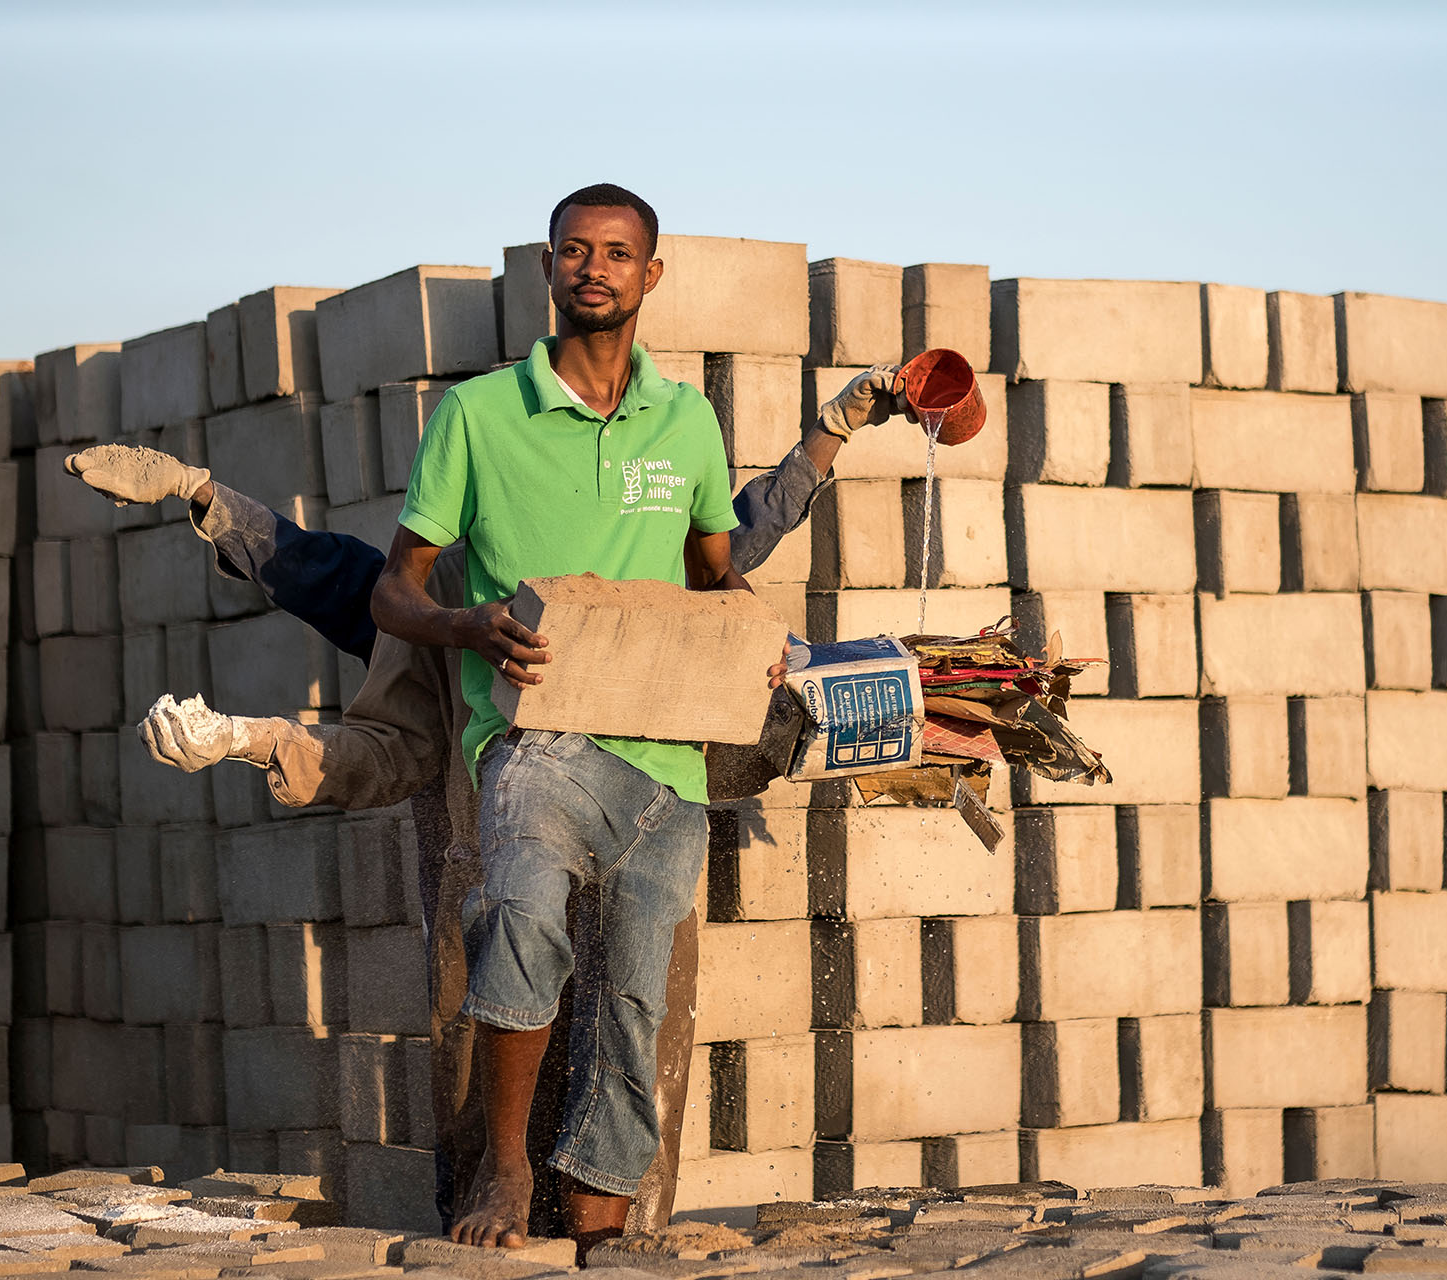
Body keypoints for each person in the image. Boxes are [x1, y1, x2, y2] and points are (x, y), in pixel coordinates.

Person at [70, 197, 914, 1241]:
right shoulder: (451, 591)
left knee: (638, 1043)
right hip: (502, 839)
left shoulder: (650, 502)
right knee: (489, 1070)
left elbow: (735, 542)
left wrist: (830, 434)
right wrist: (238, 681)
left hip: (648, 797)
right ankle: (497, 1203)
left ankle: (614, 1236)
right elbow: (335, 608)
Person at [366, 182, 782, 1253]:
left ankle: (598, 1210)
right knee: (522, 910)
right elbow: (392, 591)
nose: (592, 267)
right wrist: (470, 623)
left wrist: (766, 643)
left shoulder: (687, 421)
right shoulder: (478, 415)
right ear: (548, 269)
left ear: (652, 273)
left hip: (667, 760)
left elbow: (711, 575)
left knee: (635, 998)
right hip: (535, 733)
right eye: (572, 251)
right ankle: (504, 1163)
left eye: (615, 252)